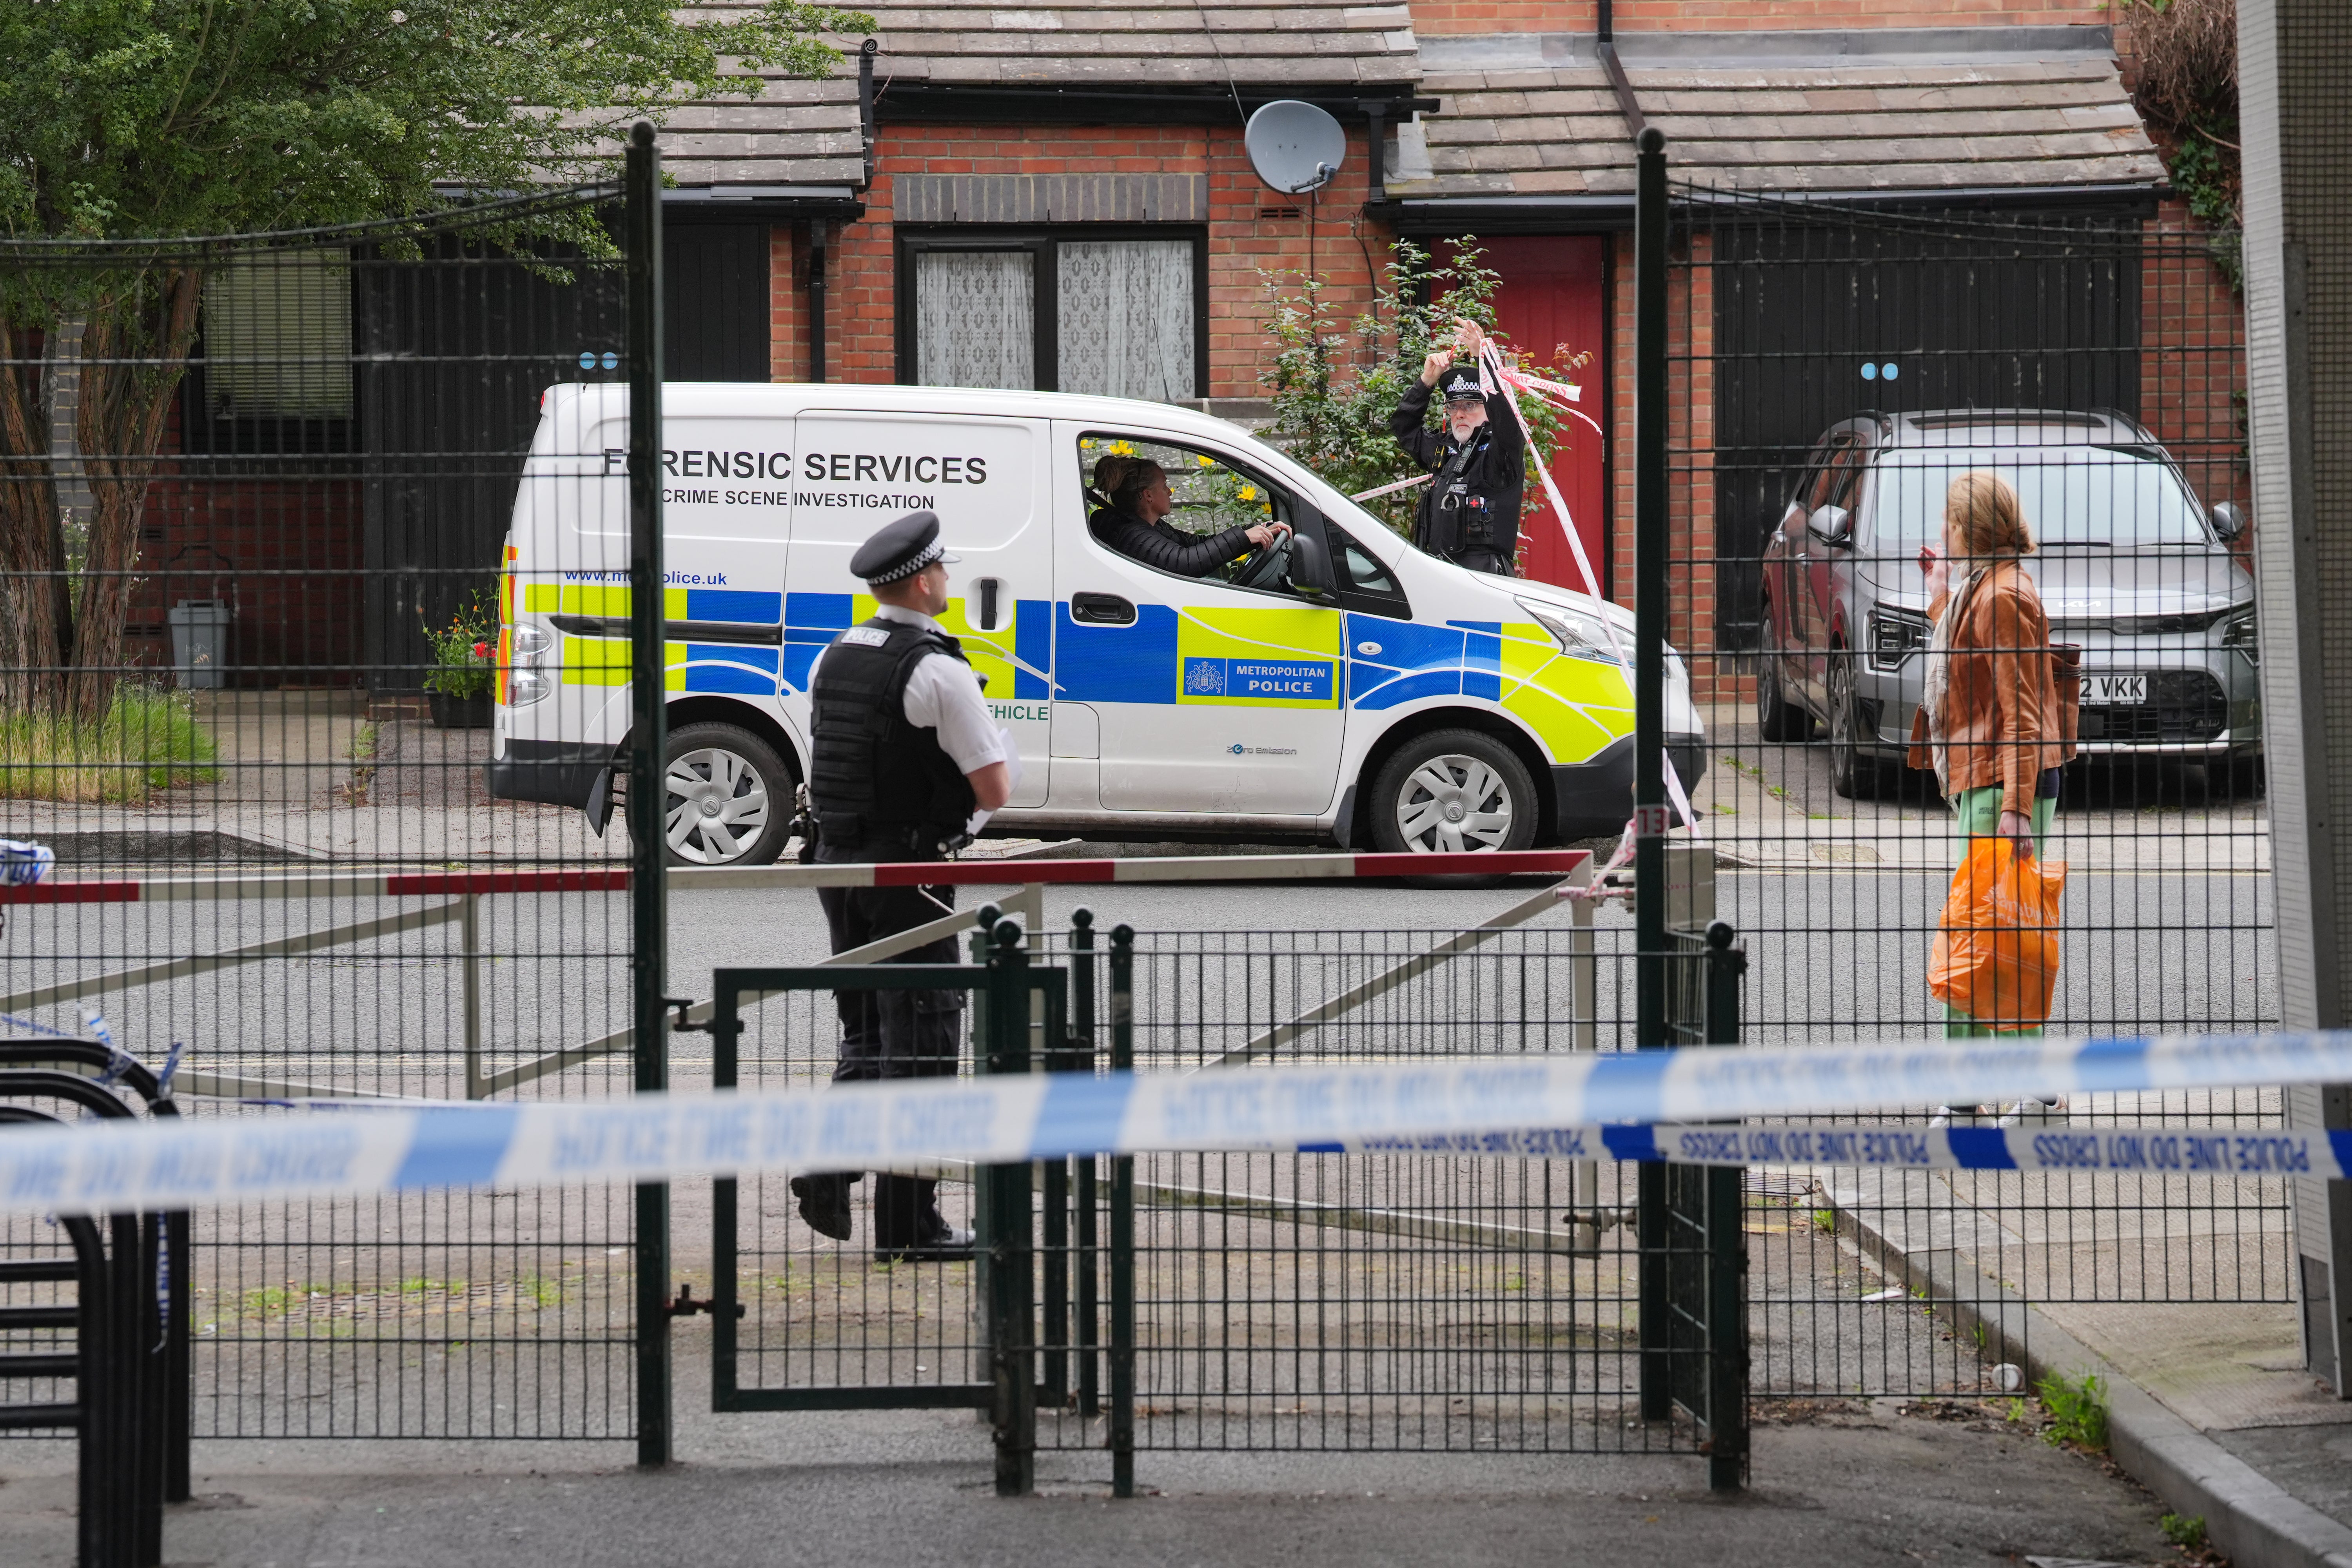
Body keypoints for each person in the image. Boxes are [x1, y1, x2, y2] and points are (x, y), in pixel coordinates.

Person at [789, 509, 1013, 1261]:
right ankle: (903, 1223)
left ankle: (840, 1177)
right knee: (923, 1036)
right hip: (907, 871)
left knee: (872, 1030)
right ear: (924, 581)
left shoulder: (838, 654)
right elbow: (995, 787)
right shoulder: (938, 669)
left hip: (835, 860)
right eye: (944, 571)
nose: (948, 580)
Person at [1907, 472, 2078, 1119]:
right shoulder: (1986, 585)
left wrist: (2015, 806)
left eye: (1949, 522)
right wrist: (1939, 600)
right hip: (1996, 778)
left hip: (2002, 781)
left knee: (1978, 932)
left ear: (1973, 527)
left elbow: (2022, 712)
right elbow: (1970, 660)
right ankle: (2029, 1085)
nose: (1942, 533)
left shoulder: (2004, 593)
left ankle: (1967, 1092)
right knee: (1999, 930)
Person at [1387, 320, 1525, 575]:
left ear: (1488, 409)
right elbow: (1404, 427)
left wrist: (1483, 359)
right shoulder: (1446, 450)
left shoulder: (1500, 451)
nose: (1459, 414)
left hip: (1484, 579)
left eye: (1470, 406)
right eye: (1454, 407)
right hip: (1440, 576)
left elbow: (1507, 419)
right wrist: (1427, 380)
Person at [1093, 458, 1282, 578]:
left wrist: (1251, 532)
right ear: (1148, 495)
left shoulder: (1148, 526)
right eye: (1164, 486)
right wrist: (1243, 538)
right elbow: (1184, 562)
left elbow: (1194, 544)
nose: (1170, 492)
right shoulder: (1129, 533)